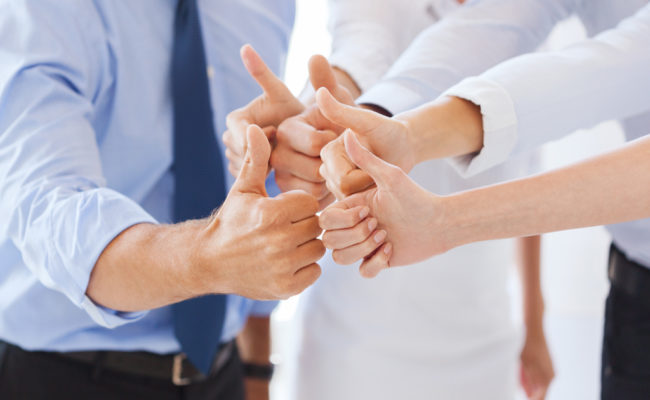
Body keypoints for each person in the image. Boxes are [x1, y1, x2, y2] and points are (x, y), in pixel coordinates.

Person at [315, 3, 650, 398]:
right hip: (636, 298)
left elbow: (622, 63)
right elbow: (504, 22)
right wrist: (393, 127)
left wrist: (446, 218)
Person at [224, 1, 554, 398]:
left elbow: (531, 175)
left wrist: (535, 323)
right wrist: (315, 117)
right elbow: (361, 48)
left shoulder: (533, 19)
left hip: (482, 332)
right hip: (359, 338)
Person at [0, 1, 326, 399]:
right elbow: (52, 213)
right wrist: (209, 256)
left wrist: (256, 371)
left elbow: (257, 190)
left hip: (221, 374)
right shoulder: (41, 12)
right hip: (57, 374)